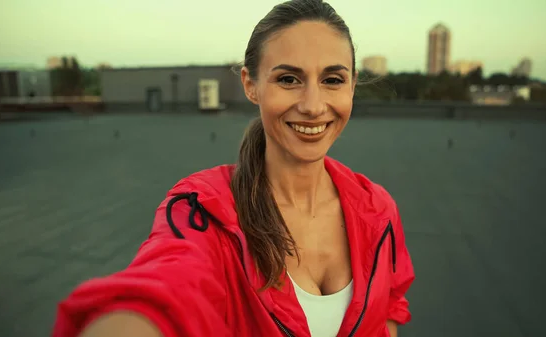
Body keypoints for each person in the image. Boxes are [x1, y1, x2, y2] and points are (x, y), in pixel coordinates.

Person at [52, 0, 415, 336]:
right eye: (288, 79)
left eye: (332, 80)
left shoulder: (378, 208)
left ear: (352, 86)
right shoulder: (203, 209)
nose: (313, 105)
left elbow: (388, 312)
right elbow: (168, 286)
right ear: (250, 85)